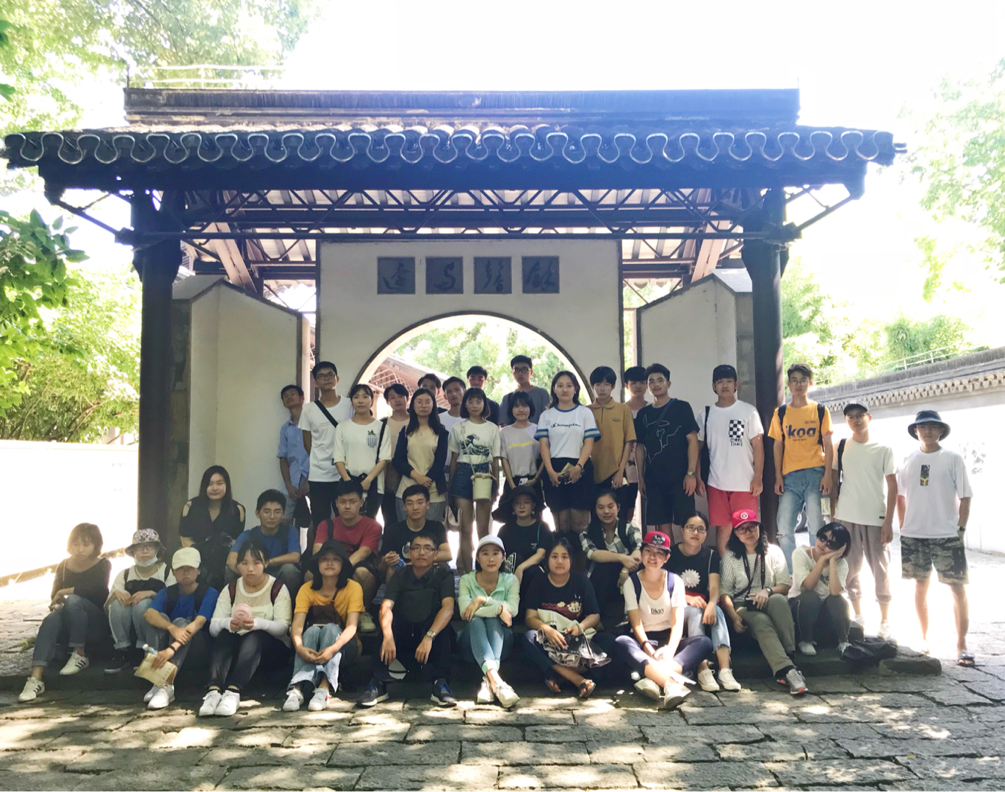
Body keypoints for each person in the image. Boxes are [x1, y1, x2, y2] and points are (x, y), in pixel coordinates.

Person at [596, 531, 711, 710]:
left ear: (666, 558)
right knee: (622, 642)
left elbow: (677, 624)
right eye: (648, 551)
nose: (652, 557)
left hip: (668, 642)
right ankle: (669, 683)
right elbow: (636, 623)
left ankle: (652, 677)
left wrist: (669, 652)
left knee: (704, 643)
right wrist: (649, 650)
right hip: (643, 642)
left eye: (659, 553)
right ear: (641, 554)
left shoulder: (675, 582)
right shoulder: (632, 583)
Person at [896, 409, 974, 665]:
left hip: (946, 534)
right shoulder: (908, 459)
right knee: (920, 587)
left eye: (932, 426)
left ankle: (961, 644)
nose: (928, 431)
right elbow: (900, 496)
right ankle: (924, 639)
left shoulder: (952, 458)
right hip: (914, 534)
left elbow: (965, 496)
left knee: (957, 588)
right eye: (923, 426)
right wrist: (903, 525)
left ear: (941, 430)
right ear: (915, 430)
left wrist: (960, 529)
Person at [357, 530, 457, 707]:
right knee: (387, 626)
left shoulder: (443, 575)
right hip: (405, 631)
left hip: (430, 633)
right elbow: (386, 606)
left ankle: (440, 683)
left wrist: (429, 637)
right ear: (409, 553)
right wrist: (388, 636)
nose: (421, 552)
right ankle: (378, 684)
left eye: (427, 548)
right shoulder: (401, 574)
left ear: (435, 554)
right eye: (416, 548)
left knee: (443, 631)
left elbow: (448, 608)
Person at [19, 524, 111, 702]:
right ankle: (35, 678)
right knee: (52, 618)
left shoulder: (103, 564)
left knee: (74, 599)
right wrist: (60, 599)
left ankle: (79, 653)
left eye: (86, 544)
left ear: (95, 545)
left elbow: (100, 593)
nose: (80, 549)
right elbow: (55, 594)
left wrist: (69, 591)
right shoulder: (63, 565)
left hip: (94, 622)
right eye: (76, 544)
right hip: (69, 617)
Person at [719, 510, 807, 695]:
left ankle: (788, 657)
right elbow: (725, 593)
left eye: (752, 527)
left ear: (760, 528)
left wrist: (767, 591)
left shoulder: (773, 551)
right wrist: (734, 617)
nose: (748, 532)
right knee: (761, 620)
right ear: (735, 533)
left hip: (770, 599)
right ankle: (787, 670)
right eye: (742, 529)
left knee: (778, 600)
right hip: (743, 605)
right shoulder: (730, 557)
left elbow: (785, 585)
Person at [201, 542, 292, 717]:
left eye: (256, 563)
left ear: (266, 563)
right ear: (238, 566)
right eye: (244, 563)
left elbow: (282, 627)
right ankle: (213, 690)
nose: (250, 568)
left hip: (271, 651)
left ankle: (233, 692)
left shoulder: (277, 588)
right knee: (225, 634)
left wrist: (257, 623)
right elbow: (213, 627)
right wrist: (228, 623)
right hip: (237, 650)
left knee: (254, 636)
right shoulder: (231, 589)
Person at [829, 401, 896, 640]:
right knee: (850, 567)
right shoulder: (840, 447)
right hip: (846, 516)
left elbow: (892, 486)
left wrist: (888, 521)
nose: (855, 420)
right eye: (850, 417)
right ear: (846, 421)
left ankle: (885, 620)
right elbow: (832, 484)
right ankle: (857, 615)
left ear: (869, 417)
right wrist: (832, 516)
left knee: (880, 568)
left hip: (875, 517)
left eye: (860, 415)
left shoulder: (883, 448)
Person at [524, 537, 609, 698]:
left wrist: (580, 628)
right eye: (554, 556)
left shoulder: (581, 581)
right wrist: (547, 630)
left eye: (564, 557)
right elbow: (530, 617)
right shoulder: (539, 582)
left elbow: (594, 615)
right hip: (552, 641)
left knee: (609, 641)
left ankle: (561, 677)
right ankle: (577, 680)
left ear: (571, 560)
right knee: (529, 638)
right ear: (547, 559)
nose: (559, 561)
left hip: (576, 639)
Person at [284, 540, 363, 712]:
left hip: (345, 646)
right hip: (313, 645)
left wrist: (332, 649)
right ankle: (297, 689)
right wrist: (300, 648)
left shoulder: (353, 588)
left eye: (335, 559)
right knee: (312, 630)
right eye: (324, 559)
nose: (329, 563)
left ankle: (324, 689)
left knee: (331, 628)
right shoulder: (307, 589)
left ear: (342, 564)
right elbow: (297, 625)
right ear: (317, 564)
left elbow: (352, 626)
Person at [768, 363, 833, 568]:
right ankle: (793, 571)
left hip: (816, 475)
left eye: (803, 380)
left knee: (818, 527)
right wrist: (778, 476)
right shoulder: (781, 413)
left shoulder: (820, 410)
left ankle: (817, 570)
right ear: (788, 384)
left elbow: (828, 444)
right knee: (784, 529)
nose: (798, 385)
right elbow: (778, 445)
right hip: (790, 478)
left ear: (810, 383)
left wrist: (828, 475)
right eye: (794, 381)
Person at [666, 513, 740, 692]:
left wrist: (712, 604)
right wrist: (687, 598)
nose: (695, 533)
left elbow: (714, 587)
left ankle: (725, 669)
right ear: (682, 530)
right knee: (695, 612)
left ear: (706, 533)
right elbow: (664, 587)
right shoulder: (671, 554)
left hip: (702, 603)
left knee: (718, 612)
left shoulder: (711, 555)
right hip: (676, 605)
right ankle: (702, 667)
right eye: (691, 528)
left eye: (701, 529)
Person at [697, 364, 764, 557]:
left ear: (735, 384)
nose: (724, 385)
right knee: (723, 530)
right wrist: (698, 477)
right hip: (716, 483)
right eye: (720, 382)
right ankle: (726, 569)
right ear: (714, 386)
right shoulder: (705, 414)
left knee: (747, 529)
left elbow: (758, 446)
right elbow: (697, 449)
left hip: (744, 483)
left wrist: (757, 477)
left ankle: (749, 568)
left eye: (728, 381)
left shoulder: (748, 411)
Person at [142, 547, 219, 710]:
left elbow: (198, 623)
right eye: (180, 569)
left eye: (190, 568)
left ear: (198, 570)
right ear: (173, 572)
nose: (185, 573)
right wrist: (171, 628)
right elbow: (149, 614)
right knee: (160, 619)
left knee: (181, 622)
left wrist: (172, 648)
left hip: (197, 650)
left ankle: (166, 683)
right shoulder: (167, 592)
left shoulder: (209, 593)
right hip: (169, 649)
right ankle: (158, 680)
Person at [634, 364, 699, 535]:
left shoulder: (682, 407)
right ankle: (668, 553)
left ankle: (687, 552)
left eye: (660, 380)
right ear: (647, 386)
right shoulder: (643, 414)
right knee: (662, 526)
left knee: (687, 522)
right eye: (651, 381)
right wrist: (641, 478)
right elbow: (639, 447)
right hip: (654, 479)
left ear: (668, 383)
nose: (656, 384)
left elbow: (693, 441)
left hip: (681, 477)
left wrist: (691, 473)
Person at [458, 536, 521, 708]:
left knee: (493, 621)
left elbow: (512, 610)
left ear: (503, 557)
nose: (491, 558)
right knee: (476, 621)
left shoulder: (511, 580)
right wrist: (499, 608)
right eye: (485, 554)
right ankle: (498, 683)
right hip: (470, 644)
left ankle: (490, 681)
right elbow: (465, 613)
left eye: (496, 553)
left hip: (502, 642)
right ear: (478, 558)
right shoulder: (466, 580)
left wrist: (481, 600)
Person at [312, 480, 382, 634]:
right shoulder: (326, 525)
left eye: (352, 501)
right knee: (310, 573)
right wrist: (329, 568)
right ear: (336, 503)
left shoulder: (373, 526)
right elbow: (317, 551)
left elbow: (363, 552)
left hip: (354, 567)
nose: (347, 506)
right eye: (343, 502)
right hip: (330, 566)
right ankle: (318, 612)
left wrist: (339, 570)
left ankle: (362, 612)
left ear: (361, 502)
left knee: (363, 573)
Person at [536, 370, 600, 534]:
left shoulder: (584, 413)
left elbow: (589, 443)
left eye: (569, 386)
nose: (564, 389)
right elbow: (544, 445)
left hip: (580, 467)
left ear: (576, 389)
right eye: (560, 386)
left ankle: (583, 552)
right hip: (554, 470)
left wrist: (578, 467)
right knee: (562, 524)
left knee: (580, 524)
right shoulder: (546, 415)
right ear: (554, 389)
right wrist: (550, 471)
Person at [104, 529, 175, 674]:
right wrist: (117, 593)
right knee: (117, 604)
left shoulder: (167, 571)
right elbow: (106, 607)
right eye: (140, 547)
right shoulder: (124, 574)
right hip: (128, 626)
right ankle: (123, 650)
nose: (145, 551)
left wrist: (152, 594)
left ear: (157, 549)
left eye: (150, 546)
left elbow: (174, 601)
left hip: (156, 629)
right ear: (133, 551)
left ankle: (143, 651)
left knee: (143, 605)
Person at [448, 387, 502, 574]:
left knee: (483, 529)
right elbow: (454, 458)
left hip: (485, 475)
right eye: (470, 401)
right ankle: (466, 573)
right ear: (465, 405)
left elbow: (495, 459)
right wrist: (451, 486)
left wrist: (496, 485)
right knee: (465, 529)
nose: (474, 405)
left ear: (484, 404)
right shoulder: (458, 428)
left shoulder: (492, 428)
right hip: (462, 473)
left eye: (478, 401)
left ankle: (484, 570)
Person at [300, 361, 354, 538]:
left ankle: (345, 553)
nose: (327, 379)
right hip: (319, 475)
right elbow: (307, 443)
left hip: (344, 474)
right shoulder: (308, 409)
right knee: (320, 521)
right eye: (321, 376)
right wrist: (321, 459)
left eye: (330, 375)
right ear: (315, 382)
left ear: (337, 379)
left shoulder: (349, 405)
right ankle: (321, 553)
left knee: (346, 518)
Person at [180, 465, 246, 590]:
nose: (214, 488)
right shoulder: (190, 507)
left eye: (219, 483)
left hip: (224, 561)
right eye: (209, 484)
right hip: (197, 557)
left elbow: (236, 542)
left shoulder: (237, 510)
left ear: (227, 485)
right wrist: (201, 555)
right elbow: (185, 540)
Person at [790, 523, 852, 656]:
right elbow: (808, 586)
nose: (823, 544)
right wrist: (822, 560)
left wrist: (832, 562)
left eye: (831, 544)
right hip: (800, 605)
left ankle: (843, 642)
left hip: (824, 609)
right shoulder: (800, 554)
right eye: (822, 538)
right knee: (811, 596)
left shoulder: (842, 564)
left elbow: (834, 592)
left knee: (838, 599)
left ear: (840, 549)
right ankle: (805, 640)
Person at [333, 383, 394, 520]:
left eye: (365, 397)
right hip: (348, 484)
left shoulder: (381, 427)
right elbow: (338, 458)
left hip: (373, 485)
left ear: (371, 401)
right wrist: (348, 481)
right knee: (346, 523)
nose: (360, 401)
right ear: (351, 401)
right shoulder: (342, 427)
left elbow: (384, 458)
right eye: (356, 397)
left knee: (368, 523)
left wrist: (368, 480)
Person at [580, 489, 642, 619]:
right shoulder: (587, 532)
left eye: (610, 506)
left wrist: (624, 571)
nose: (606, 511)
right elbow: (593, 554)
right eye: (601, 507)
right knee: (603, 568)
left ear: (618, 507)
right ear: (595, 510)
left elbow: (639, 551)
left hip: (625, 574)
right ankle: (597, 618)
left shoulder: (629, 527)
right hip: (600, 580)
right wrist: (621, 558)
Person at [227, 490, 301, 597]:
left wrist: (267, 562)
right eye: (267, 512)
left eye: (277, 512)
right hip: (253, 574)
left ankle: (290, 605)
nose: (272, 516)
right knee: (229, 570)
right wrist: (250, 574)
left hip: (277, 575)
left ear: (283, 514)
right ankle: (232, 603)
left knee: (289, 570)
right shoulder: (248, 534)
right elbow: (231, 560)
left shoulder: (290, 531)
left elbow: (295, 556)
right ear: (257, 513)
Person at [393, 387, 449, 522]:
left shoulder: (441, 432)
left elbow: (440, 462)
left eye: (427, 402)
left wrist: (426, 480)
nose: (423, 405)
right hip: (406, 487)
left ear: (433, 405)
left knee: (431, 531)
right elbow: (398, 460)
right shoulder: (406, 431)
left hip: (433, 490)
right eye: (419, 402)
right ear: (413, 405)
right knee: (406, 530)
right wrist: (417, 477)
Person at [588, 366, 637, 515]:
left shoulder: (623, 409)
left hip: (616, 472)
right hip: (593, 472)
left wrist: (620, 471)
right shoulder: (586, 411)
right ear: (592, 386)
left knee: (620, 515)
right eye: (598, 384)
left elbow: (629, 442)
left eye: (606, 384)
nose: (602, 388)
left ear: (613, 386)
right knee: (596, 515)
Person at [379, 484, 451, 583]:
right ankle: (394, 593)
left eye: (420, 502)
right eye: (410, 503)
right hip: (403, 574)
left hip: (429, 572)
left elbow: (447, 554)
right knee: (392, 569)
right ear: (404, 507)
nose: (415, 507)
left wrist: (416, 561)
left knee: (444, 568)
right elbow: (382, 565)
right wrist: (387, 560)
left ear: (428, 505)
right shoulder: (393, 530)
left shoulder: (437, 527)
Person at [497, 485, 554, 595]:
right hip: (510, 578)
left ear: (533, 505)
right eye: (517, 503)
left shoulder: (542, 527)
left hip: (535, 578)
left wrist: (521, 568)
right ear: (512, 506)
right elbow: (498, 555)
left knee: (533, 570)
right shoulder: (505, 530)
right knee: (515, 558)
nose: (521, 506)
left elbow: (541, 554)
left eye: (526, 502)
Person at [278, 384, 311, 526]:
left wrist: (310, 480)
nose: (289, 397)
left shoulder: (313, 422)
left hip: (314, 478)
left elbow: (321, 453)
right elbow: (283, 458)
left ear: (302, 398)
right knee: (284, 522)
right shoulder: (285, 429)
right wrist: (288, 485)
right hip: (292, 480)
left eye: (292, 394)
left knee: (319, 521)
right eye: (285, 396)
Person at [499, 390, 543, 498]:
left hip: (534, 480)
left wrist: (536, 479)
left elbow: (544, 458)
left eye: (524, 405)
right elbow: (504, 460)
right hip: (512, 481)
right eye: (516, 406)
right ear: (511, 409)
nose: (521, 410)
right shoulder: (504, 432)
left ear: (530, 407)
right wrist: (512, 486)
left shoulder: (538, 430)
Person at [379, 383, 411, 530]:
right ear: (387, 402)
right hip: (388, 469)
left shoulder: (416, 421)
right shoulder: (382, 424)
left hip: (411, 467)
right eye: (392, 397)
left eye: (400, 396)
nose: (397, 400)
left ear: (407, 398)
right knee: (390, 514)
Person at [622, 365, 649, 523]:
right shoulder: (621, 410)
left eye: (642, 382)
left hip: (650, 465)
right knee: (627, 506)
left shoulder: (652, 409)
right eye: (633, 383)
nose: (638, 386)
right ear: (626, 386)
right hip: (626, 467)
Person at [499, 355, 551, 426]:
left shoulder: (542, 394)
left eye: (524, 369)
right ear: (512, 373)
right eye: (516, 370)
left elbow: (548, 420)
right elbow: (504, 425)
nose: (520, 373)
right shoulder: (507, 398)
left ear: (531, 372)